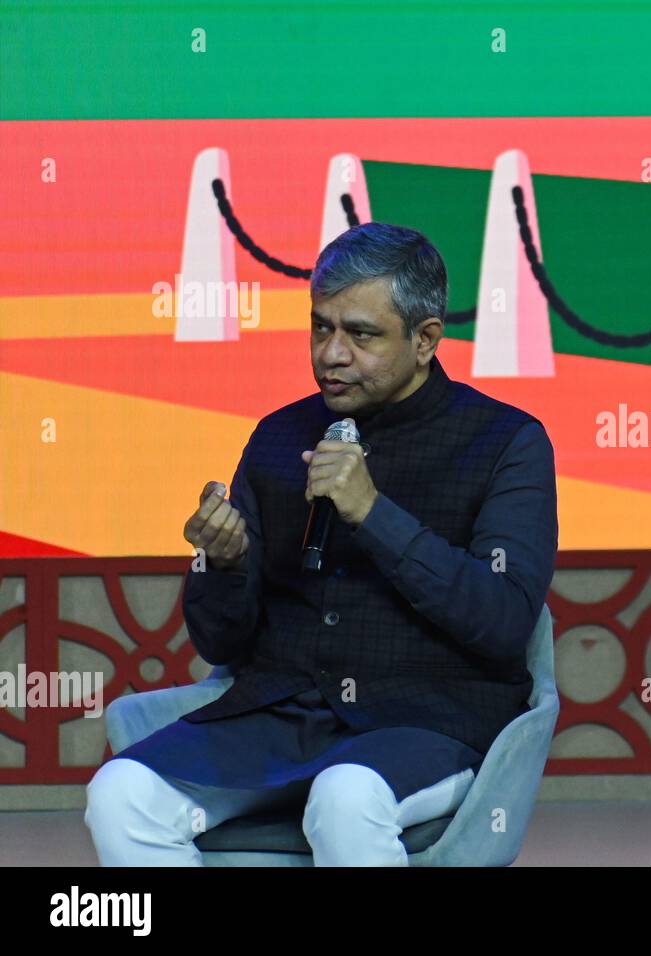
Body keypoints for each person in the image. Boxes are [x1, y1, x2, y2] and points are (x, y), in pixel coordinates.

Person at [85, 222, 558, 865]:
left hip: (427, 723)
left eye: (360, 334)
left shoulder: (506, 443)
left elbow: (504, 620)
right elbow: (220, 644)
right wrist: (222, 565)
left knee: (345, 797)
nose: (331, 354)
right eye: (320, 327)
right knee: (119, 792)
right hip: (280, 718)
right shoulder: (280, 436)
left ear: (425, 340)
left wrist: (372, 512)